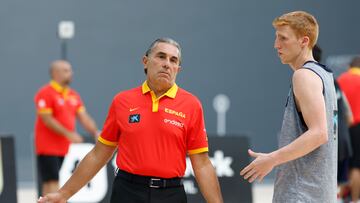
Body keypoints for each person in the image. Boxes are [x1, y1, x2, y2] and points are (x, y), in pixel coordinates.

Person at [38, 38, 223, 203]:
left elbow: (202, 163)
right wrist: (63, 194)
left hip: (171, 194)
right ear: (145, 61)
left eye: (173, 60)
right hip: (128, 191)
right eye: (161, 56)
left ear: (178, 69)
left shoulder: (191, 105)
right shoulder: (122, 101)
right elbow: (99, 154)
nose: (167, 64)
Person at [240, 11, 338, 202]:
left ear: (304, 41)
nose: (276, 45)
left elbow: (319, 133)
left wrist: (272, 159)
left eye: (283, 38)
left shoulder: (303, 75)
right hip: (319, 193)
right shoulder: (325, 75)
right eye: (276, 38)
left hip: (301, 194)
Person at [34, 60, 100, 196]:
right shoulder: (45, 92)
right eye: (66, 70)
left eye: (70, 70)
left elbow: (84, 117)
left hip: (62, 147)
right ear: (55, 73)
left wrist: (95, 131)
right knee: (52, 181)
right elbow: (47, 120)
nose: (70, 73)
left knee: (50, 181)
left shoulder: (73, 95)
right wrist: (69, 134)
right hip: (47, 146)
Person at [314, 44, 354, 201]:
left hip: (326, 141)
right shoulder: (332, 80)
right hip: (341, 138)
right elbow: (348, 116)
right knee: (336, 182)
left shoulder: (311, 80)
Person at [338, 56, 360, 202]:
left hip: (345, 128)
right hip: (358, 126)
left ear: (349, 66)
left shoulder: (340, 79)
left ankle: (342, 196)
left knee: (346, 163)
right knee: (357, 166)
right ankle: (354, 199)